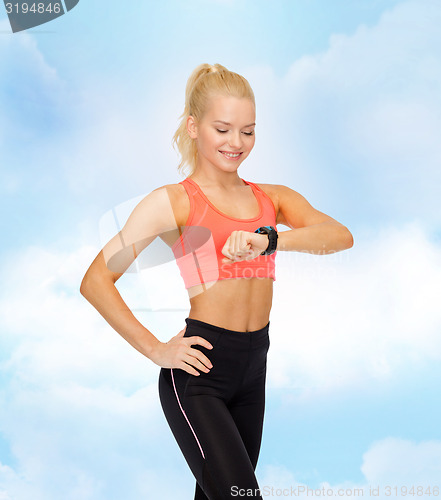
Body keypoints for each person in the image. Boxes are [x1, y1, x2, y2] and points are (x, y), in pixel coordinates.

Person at [80, 62, 354, 500]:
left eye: (248, 131)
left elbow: (340, 236)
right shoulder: (173, 202)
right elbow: (96, 280)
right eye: (223, 129)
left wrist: (269, 241)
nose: (236, 143)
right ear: (194, 126)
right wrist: (156, 349)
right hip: (200, 371)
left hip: (253, 367)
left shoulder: (272, 198)